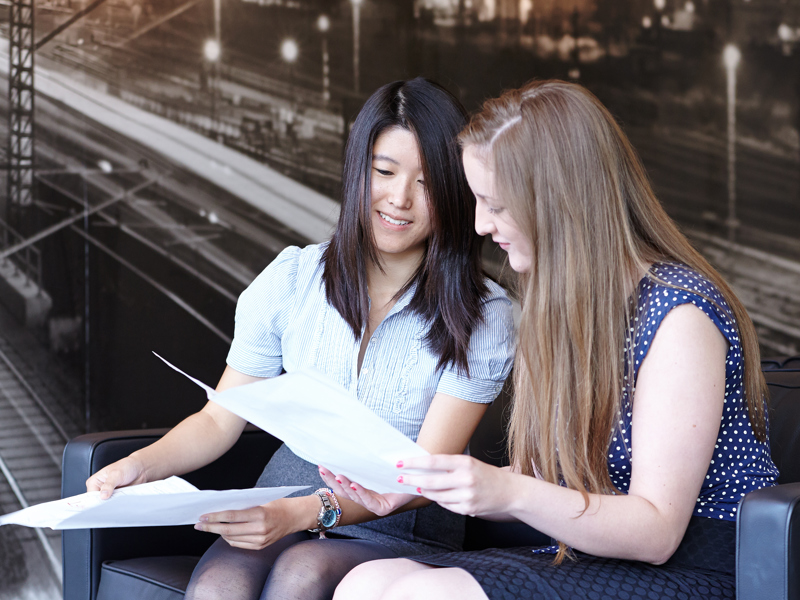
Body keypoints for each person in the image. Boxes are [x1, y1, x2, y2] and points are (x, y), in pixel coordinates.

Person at [326, 80, 779, 600]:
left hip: (697, 568)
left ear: (560, 202)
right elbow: (544, 475)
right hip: (588, 554)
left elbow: (657, 533)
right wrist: (409, 493)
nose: (478, 225)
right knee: (365, 582)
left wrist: (508, 490)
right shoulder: (560, 305)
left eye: (494, 204)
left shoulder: (680, 314)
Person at [86, 78, 514, 600]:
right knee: (219, 586)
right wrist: (138, 466)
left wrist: (306, 510)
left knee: (301, 574)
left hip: (399, 519)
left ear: (452, 190)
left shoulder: (482, 314)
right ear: (357, 169)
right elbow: (220, 419)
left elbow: (425, 475)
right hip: (281, 496)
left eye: (425, 183)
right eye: (384, 171)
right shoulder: (293, 279)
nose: (399, 199)